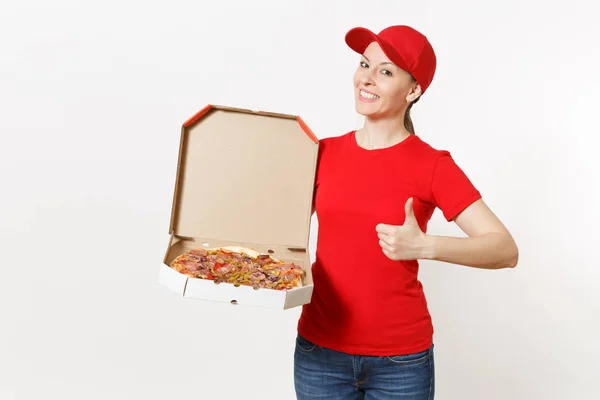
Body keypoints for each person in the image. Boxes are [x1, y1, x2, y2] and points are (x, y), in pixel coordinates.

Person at [293, 25, 519, 400]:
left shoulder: (432, 165)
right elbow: (272, 227)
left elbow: (504, 250)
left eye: (385, 71)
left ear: (413, 90)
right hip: (320, 354)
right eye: (364, 64)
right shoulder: (320, 153)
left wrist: (425, 245)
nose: (366, 77)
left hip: (400, 362)